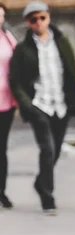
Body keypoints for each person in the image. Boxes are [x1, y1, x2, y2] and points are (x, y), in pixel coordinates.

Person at [9, 1, 75, 215]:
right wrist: (27, 104)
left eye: (42, 18)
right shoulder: (23, 49)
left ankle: (40, 182)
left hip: (61, 104)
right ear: (28, 22)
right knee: (47, 149)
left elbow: (71, 71)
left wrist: (72, 97)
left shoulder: (61, 43)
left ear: (49, 18)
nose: (39, 23)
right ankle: (47, 196)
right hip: (40, 105)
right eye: (33, 19)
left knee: (54, 151)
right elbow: (16, 81)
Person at [0, 2, 17, 209]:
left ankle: (1, 191)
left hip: (6, 104)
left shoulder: (9, 38)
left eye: (2, 15)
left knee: (1, 149)